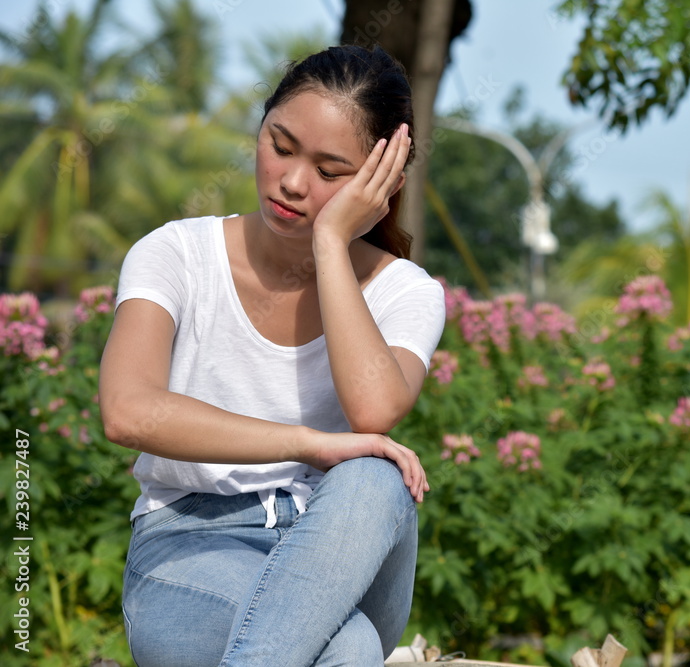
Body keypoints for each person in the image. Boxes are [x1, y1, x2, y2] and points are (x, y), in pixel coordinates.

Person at [99, 44, 446, 667]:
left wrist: (332, 245)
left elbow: (373, 410)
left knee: (373, 476)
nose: (292, 182)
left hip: (348, 551)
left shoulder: (407, 292)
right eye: (280, 146)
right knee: (353, 650)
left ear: (381, 180)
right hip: (188, 546)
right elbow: (128, 412)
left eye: (330, 171)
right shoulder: (175, 254)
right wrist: (308, 444)